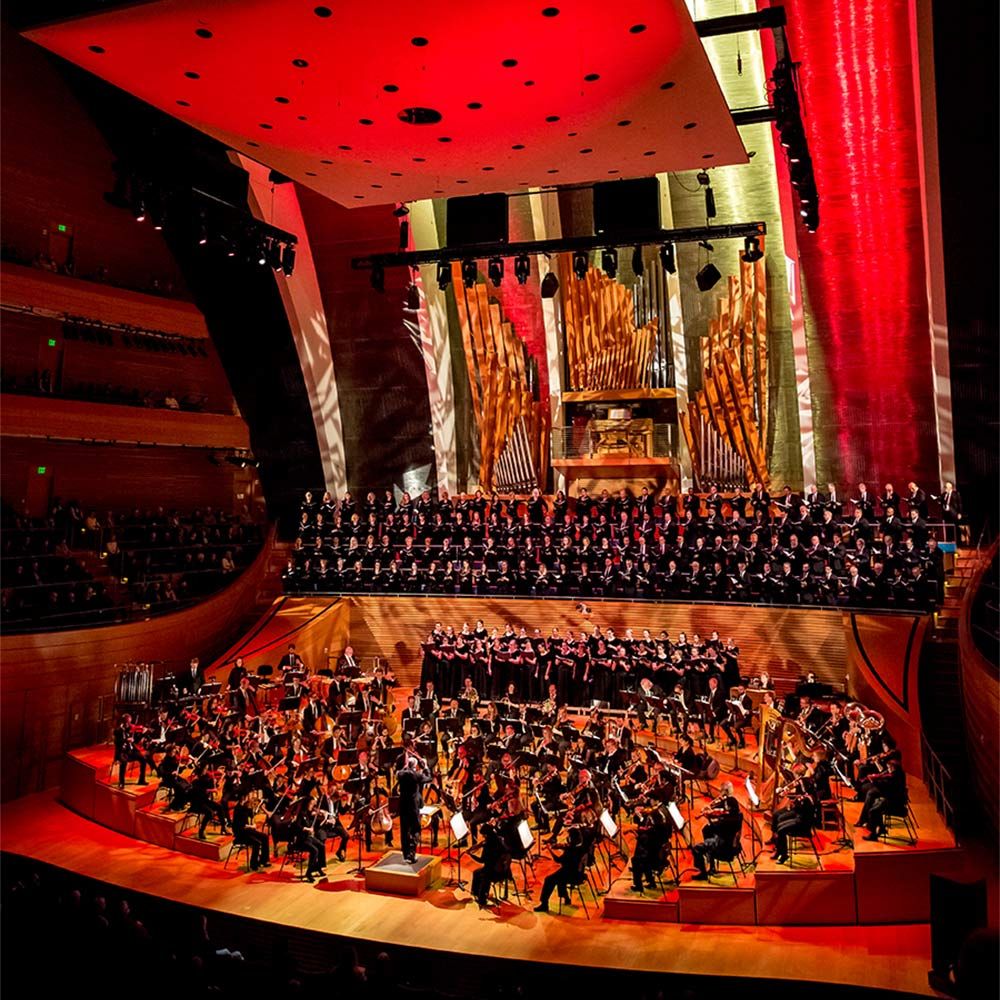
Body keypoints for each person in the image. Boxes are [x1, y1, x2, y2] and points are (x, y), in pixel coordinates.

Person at [691, 781, 741, 879]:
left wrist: (710, 817)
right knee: (707, 829)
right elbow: (722, 820)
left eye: (722, 791)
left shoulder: (727, 818)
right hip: (729, 842)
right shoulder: (735, 814)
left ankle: (703, 873)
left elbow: (720, 826)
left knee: (696, 848)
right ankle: (712, 866)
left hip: (724, 846)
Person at [534, 825, 588, 913]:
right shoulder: (582, 847)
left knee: (549, 880)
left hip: (571, 875)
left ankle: (544, 904)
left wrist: (550, 850)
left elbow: (558, 860)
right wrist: (562, 846)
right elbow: (569, 850)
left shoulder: (571, 850)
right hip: (579, 873)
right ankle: (566, 898)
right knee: (559, 876)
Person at [396, 744, 432, 863]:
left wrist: (406, 761)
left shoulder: (400, 774)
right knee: (415, 828)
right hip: (413, 806)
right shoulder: (416, 775)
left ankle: (405, 854)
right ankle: (412, 853)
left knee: (404, 829)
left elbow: (402, 768)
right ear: (415, 766)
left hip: (403, 805)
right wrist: (426, 766)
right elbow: (429, 778)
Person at [231, 792, 270, 870]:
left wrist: (252, 807)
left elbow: (251, 815)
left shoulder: (244, 807)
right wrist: (252, 826)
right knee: (256, 843)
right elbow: (241, 825)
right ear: (243, 797)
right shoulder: (238, 809)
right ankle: (253, 864)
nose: (248, 798)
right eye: (247, 796)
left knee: (264, 837)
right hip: (241, 834)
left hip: (248, 831)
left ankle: (264, 860)